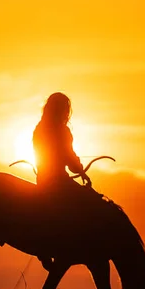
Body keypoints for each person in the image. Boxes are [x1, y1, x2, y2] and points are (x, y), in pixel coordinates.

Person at [31, 92, 97, 270]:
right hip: (58, 181)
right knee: (88, 203)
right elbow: (68, 156)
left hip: (42, 179)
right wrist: (80, 170)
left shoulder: (39, 128)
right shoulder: (61, 130)